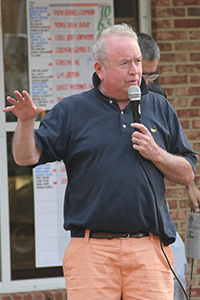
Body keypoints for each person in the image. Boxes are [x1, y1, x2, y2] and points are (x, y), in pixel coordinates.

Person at [4, 24, 198, 300]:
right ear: (100, 69)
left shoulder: (159, 107)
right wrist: (26, 122)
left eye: (138, 61)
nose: (135, 70)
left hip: (149, 250)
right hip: (92, 251)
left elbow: (188, 173)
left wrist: (157, 153)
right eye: (125, 63)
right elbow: (26, 157)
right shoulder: (73, 110)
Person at [137, 31, 200, 300]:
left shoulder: (157, 98)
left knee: (176, 268)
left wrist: (191, 184)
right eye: (144, 76)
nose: (147, 83)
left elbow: (180, 151)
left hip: (153, 216)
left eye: (153, 76)